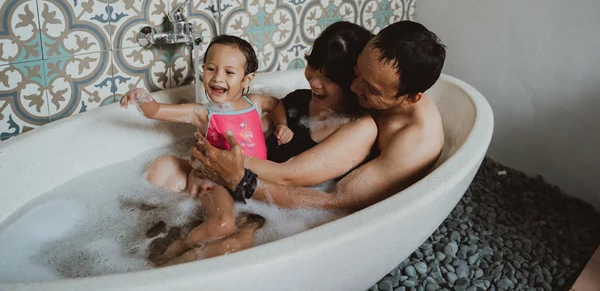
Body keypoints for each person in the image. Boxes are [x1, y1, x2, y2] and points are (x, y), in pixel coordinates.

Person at [189, 20, 447, 211]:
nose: (355, 88)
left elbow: (337, 203)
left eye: (371, 89)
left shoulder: (413, 142)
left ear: (411, 97)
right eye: (356, 74)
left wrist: (239, 180)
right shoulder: (339, 94)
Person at [120, 35, 289, 264]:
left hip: (251, 181)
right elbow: (156, 111)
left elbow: (277, 104)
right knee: (223, 224)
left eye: (229, 72)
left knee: (250, 227)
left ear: (246, 79)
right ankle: (174, 250)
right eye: (211, 69)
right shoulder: (203, 113)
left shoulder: (255, 103)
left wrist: (283, 125)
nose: (217, 78)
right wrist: (140, 97)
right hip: (216, 179)